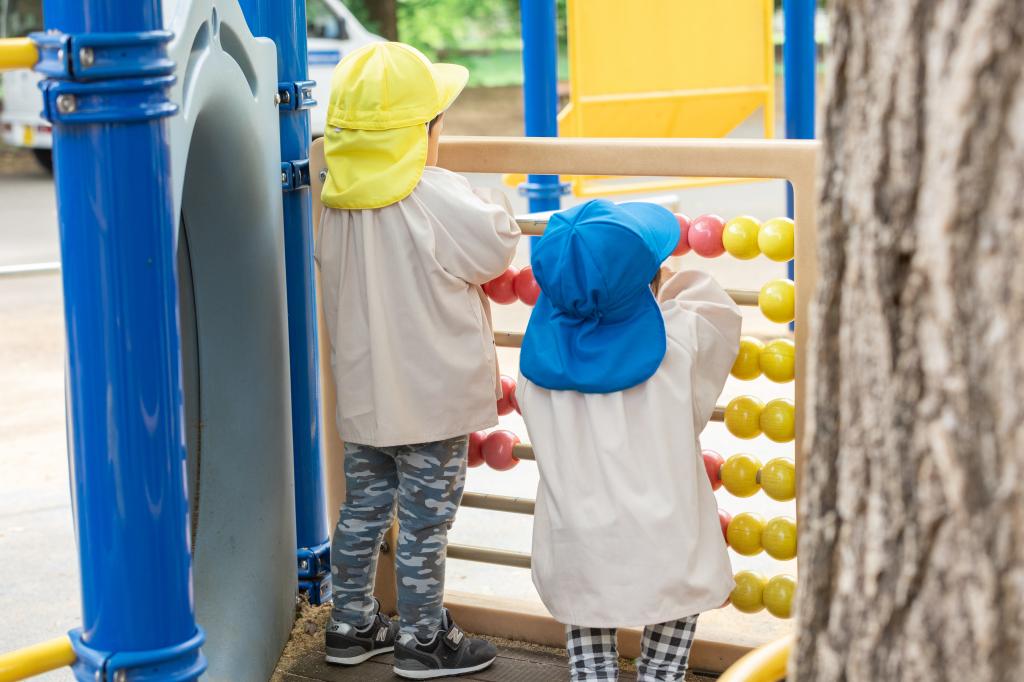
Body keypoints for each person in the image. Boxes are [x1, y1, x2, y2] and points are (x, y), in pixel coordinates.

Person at [315, 42, 521, 679]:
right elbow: (495, 249)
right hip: (430, 400)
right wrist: (475, 191)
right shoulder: (434, 194)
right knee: (427, 523)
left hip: (366, 397)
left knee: (363, 510)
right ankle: (424, 640)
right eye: (438, 128)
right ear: (417, 137)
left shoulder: (330, 196)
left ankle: (350, 623)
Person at [517, 200, 740, 681]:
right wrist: (668, 282)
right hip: (665, 534)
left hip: (579, 538)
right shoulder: (677, 342)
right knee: (674, 601)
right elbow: (716, 311)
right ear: (649, 281)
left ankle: (594, 673)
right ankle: (661, 673)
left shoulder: (537, 370)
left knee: (587, 620)